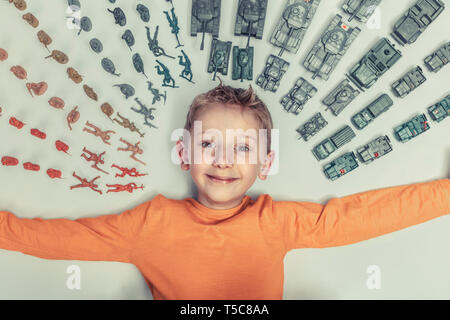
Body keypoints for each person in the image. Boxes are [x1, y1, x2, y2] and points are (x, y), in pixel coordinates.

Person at [0, 83, 448, 300]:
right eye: (208, 143)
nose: (223, 159)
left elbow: (358, 217)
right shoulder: (149, 224)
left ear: (266, 162)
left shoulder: (274, 221)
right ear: (184, 151)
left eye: (243, 148)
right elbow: (56, 238)